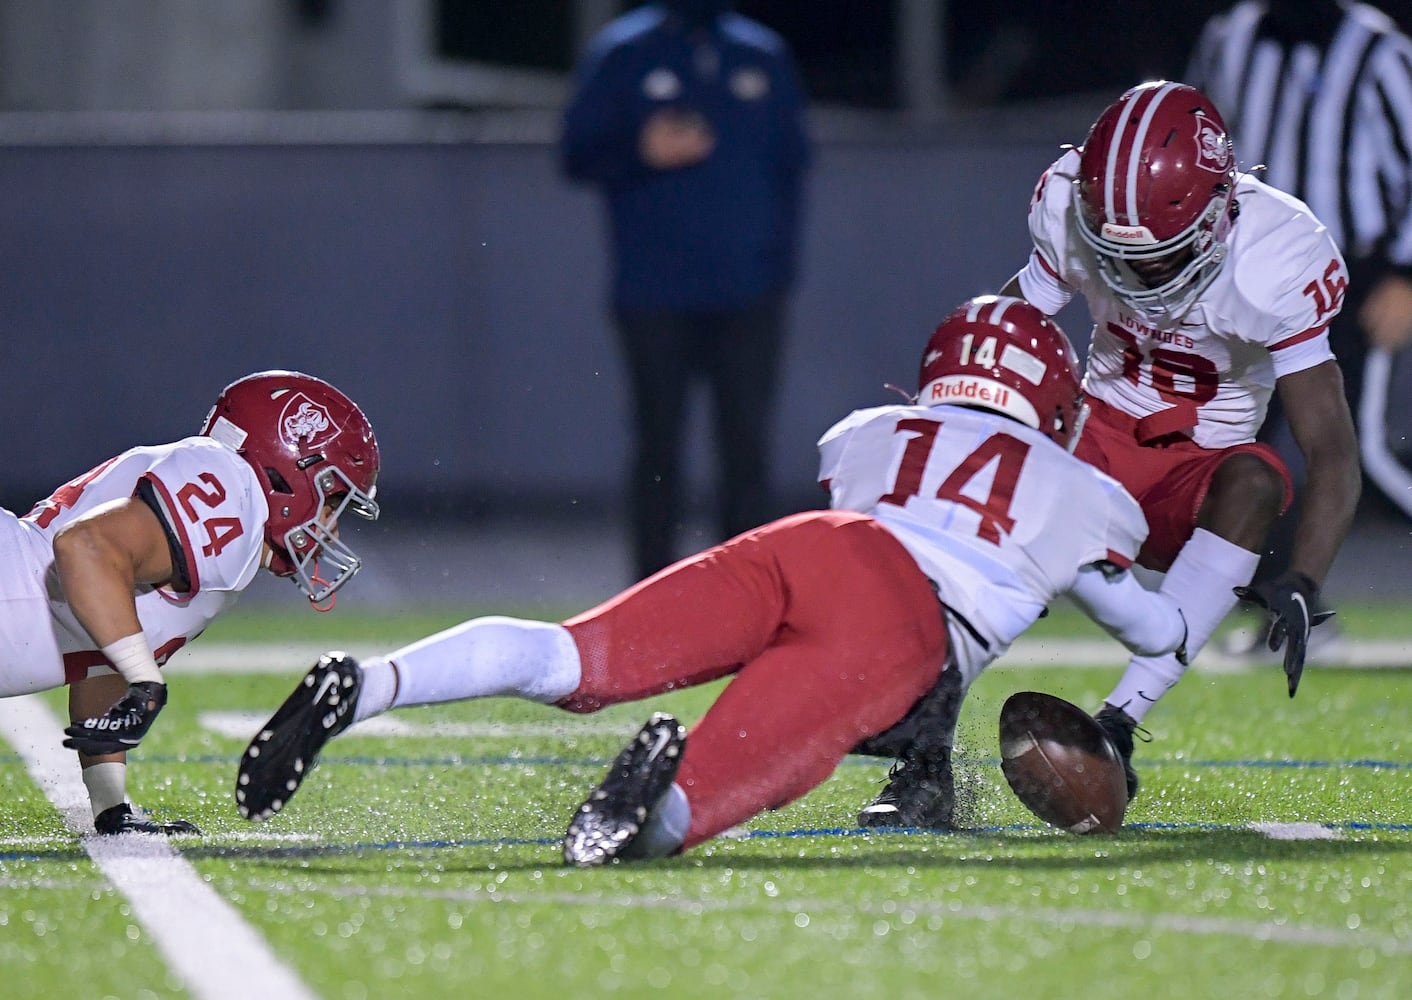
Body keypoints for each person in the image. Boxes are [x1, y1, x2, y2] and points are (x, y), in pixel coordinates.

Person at [235, 296, 1189, 861]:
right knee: (714, 794)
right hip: (900, 627)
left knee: (574, 657)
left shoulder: (870, 435)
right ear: (1051, 399)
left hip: (817, 540)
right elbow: (1147, 631)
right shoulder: (1077, 488)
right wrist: (1165, 640)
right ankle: (647, 809)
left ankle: (367, 684)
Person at [858, 80, 1361, 829]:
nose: (1138, 278)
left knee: (1257, 478)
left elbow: (1332, 450)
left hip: (1197, 469)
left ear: (1220, 212)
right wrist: (970, 420)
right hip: (1089, 431)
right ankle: (922, 756)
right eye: (1119, 257)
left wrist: (1305, 575)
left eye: (1160, 257)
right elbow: (1018, 325)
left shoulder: (1278, 254)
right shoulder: (1070, 203)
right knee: (977, 512)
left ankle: (1117, 730)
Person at [1, 370, 380, 836]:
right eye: (332, 499)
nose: (332, 528)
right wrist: (146, 683)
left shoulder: (231, 535)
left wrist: (110, 805)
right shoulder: (233, 490)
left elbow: (102, 654)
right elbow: (86, 548)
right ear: (288, 471)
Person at [1186, 0, 1412, 656]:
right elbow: (1194, 140)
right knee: (1239, 452)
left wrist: (1406, 271)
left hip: (1346, 277)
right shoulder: (1229, 38)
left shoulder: (1377, 50)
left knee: (1358, 448)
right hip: (1242, 282)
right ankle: (1293, 612)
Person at [558, 0, 812, 582]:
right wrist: (638, 152)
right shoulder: (624, 50)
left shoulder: (761, 53)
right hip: (654, 292)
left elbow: (793, 169)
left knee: (747, 451)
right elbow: (574, 153)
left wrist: (778, 275)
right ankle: (649, 596)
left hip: (749, 292)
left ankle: (749, 595)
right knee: (657, 449)